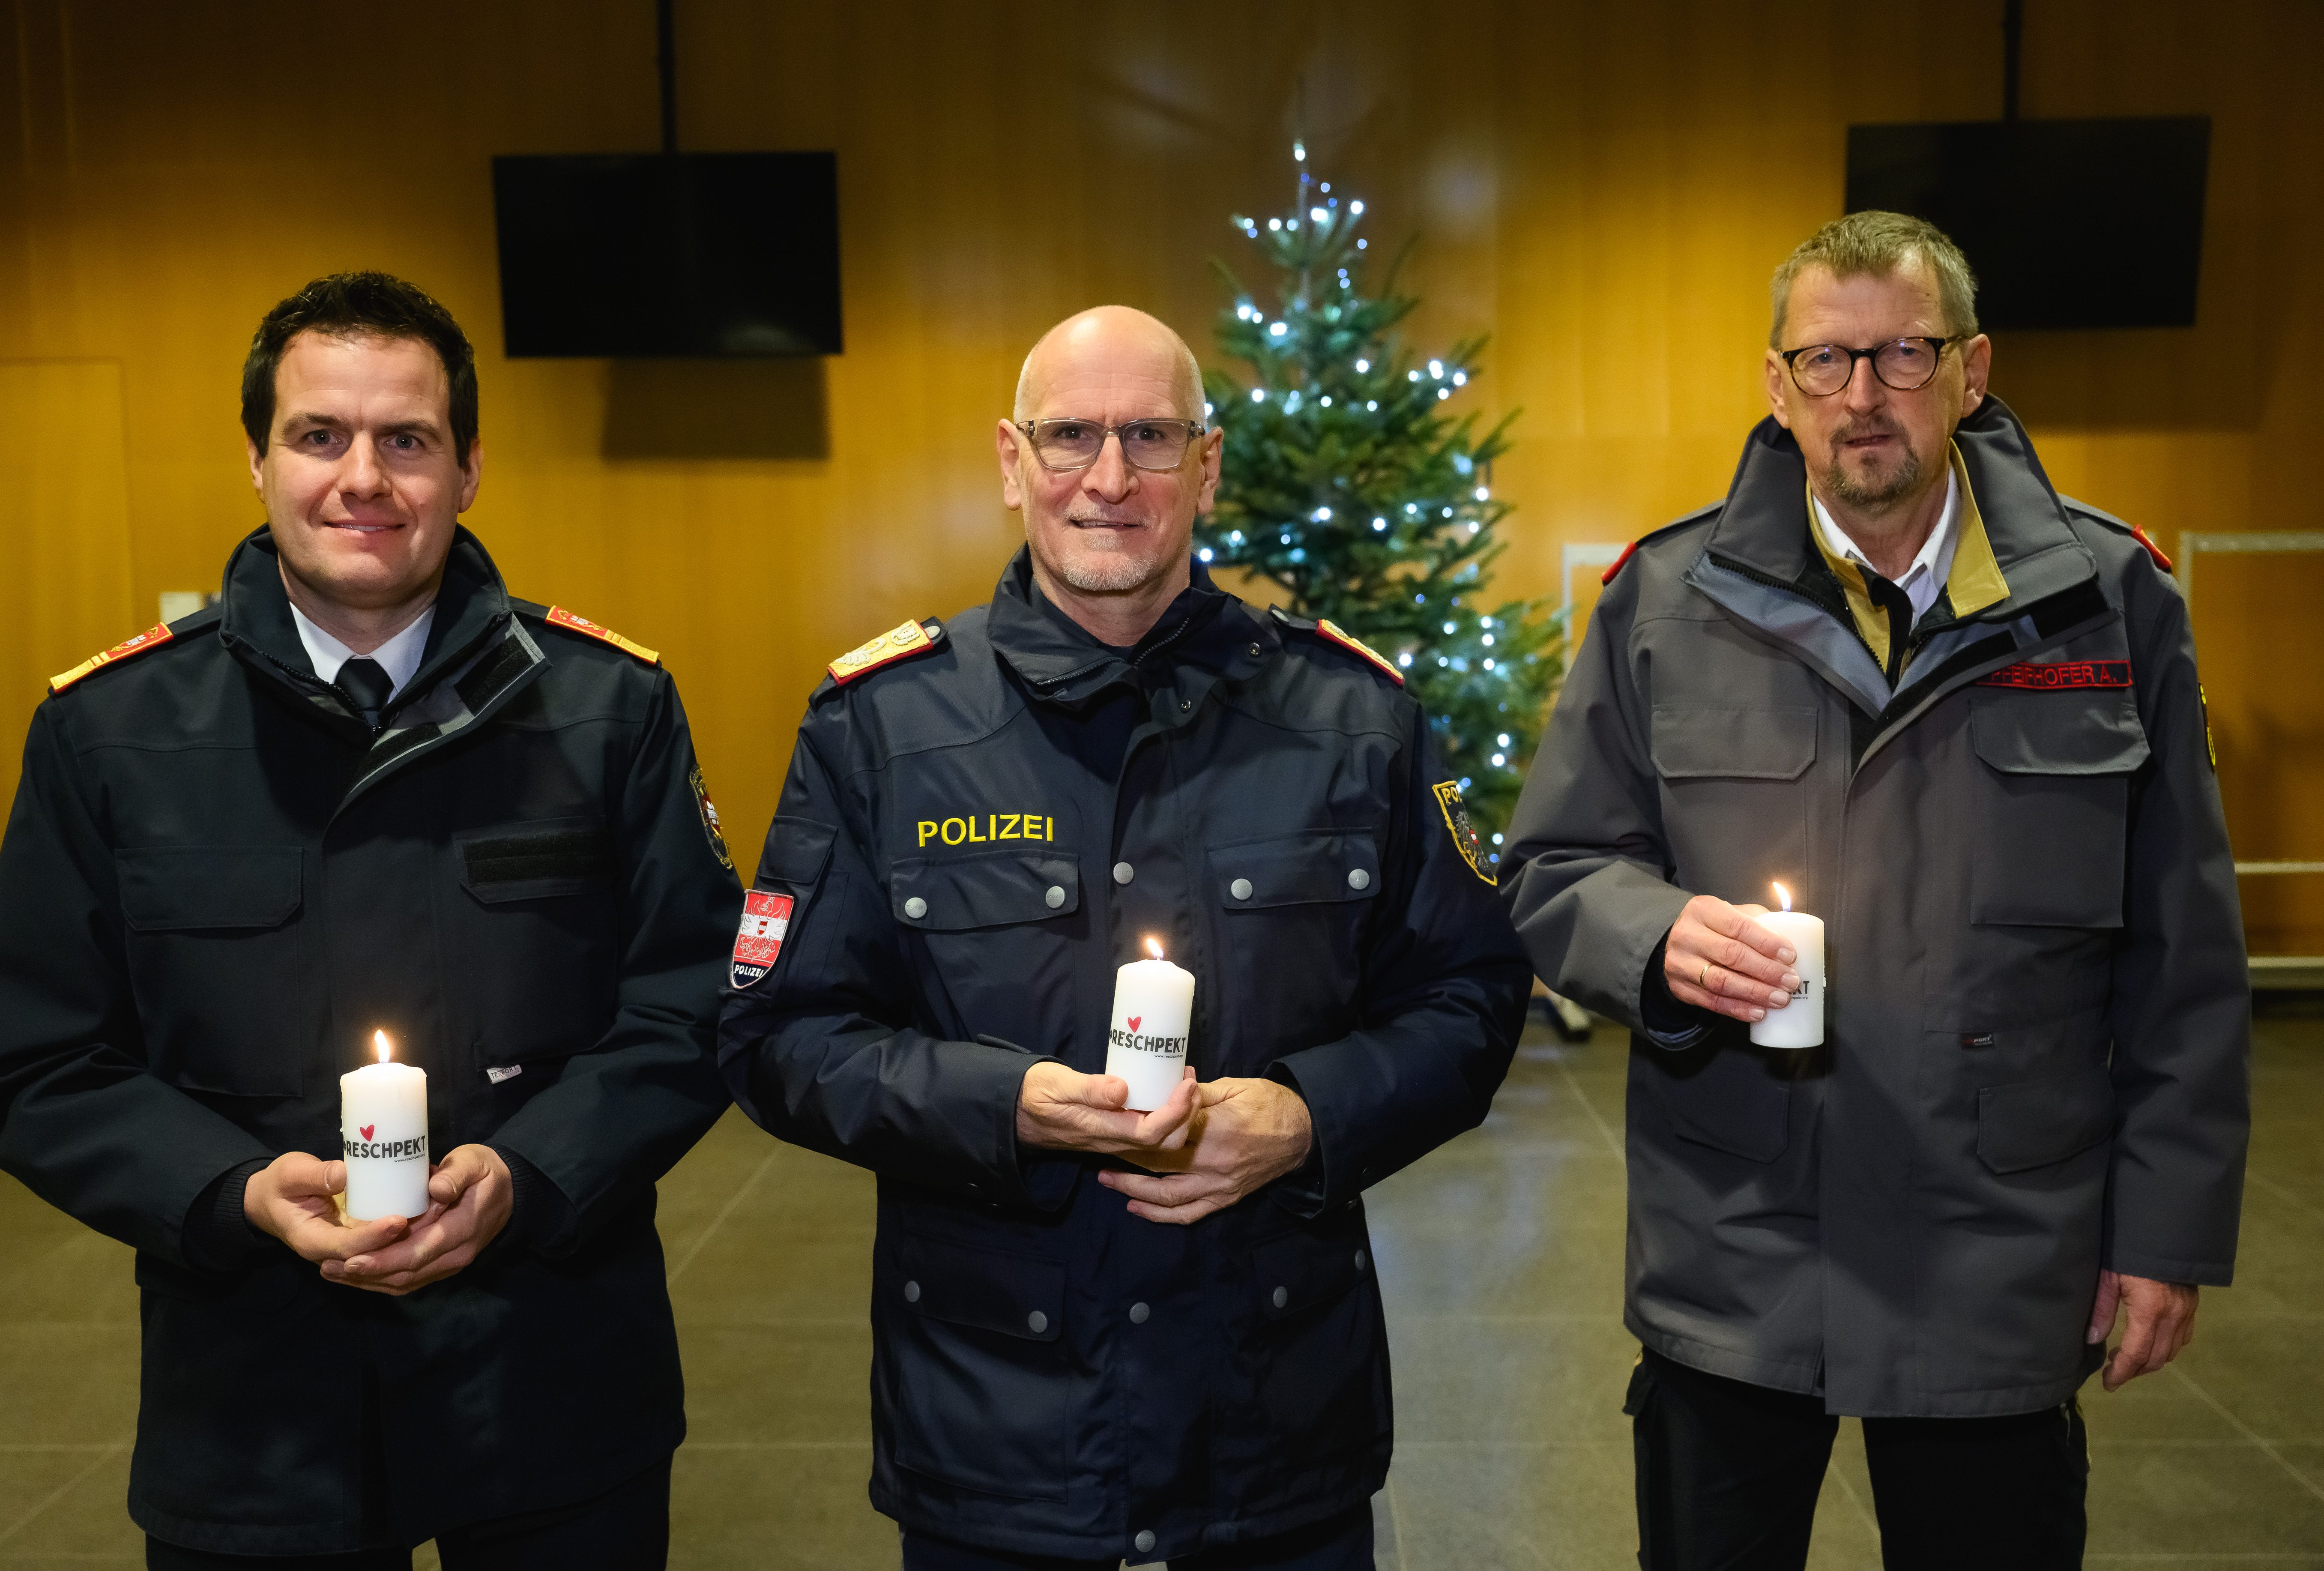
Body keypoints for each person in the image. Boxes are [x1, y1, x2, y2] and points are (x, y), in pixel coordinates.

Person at [719, 305, 1529, 1570]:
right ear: (1011, 461)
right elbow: (777, 1036)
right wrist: (1004, 1106)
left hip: (1275, 1422)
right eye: (1070, 436)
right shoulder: (881, 728)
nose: (1109, 477)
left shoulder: (1352, 717)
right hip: (999, 1434)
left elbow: (1471, 999)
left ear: (1206, 466)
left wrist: (1308, 1116)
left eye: (1151, 436)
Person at [1499, 210, 2250, 1569]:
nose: (1862, 395)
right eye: (1824, 360)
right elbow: (1553, 868)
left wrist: (2165, 1233)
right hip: (1737, 1242)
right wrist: (1658, 936)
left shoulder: (2109, 599)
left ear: (1969, 370)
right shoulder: (1662, 600)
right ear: (1775, 384)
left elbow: (2183, 954)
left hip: (1997, 1250)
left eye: (1903, 354)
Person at [0, 272, 743, 1567]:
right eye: (319, 435)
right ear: (258, 460)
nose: (363, 478)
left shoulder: (609, 710)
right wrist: (229, 1192)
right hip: (258, 1399)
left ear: (469, 467)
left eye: (408, 439)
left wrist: (530, 1175)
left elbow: (697, 998)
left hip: (548, 1377)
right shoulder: (109, 734)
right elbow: (32, 1059)